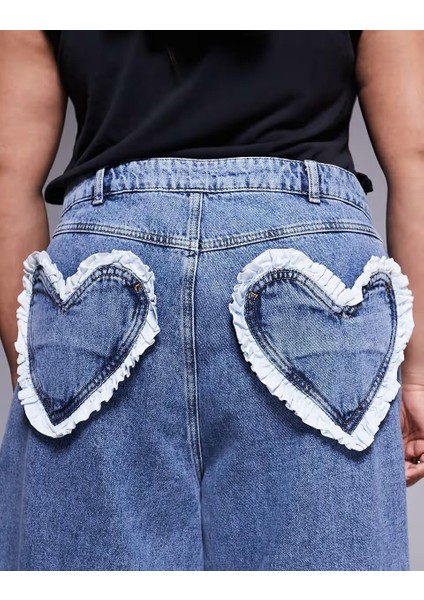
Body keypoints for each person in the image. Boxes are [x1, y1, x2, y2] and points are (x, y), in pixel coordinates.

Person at [0, 30, 422, 571]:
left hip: (103, 265)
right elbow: (416, 156)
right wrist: (417, 377)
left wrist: (32, 374)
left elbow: (8, 174)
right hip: (311, 266)